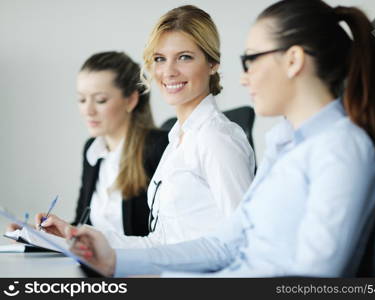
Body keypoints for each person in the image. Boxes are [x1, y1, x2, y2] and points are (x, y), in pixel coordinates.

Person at [71, 0, 375, 277]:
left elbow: (312, 277)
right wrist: (113, 259)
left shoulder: (339, 148)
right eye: (160, 59)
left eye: (252, 60)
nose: (244, 77)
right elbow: (227, 244)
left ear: (293, 61)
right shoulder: (284, 144)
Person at [40, 6, 255, 249]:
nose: (169, 71)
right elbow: (159, 244)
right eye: (159, 59)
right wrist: (73, 234)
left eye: (184, 57)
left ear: (212, 63)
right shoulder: (177, 139)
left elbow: (245, 240)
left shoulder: (216, 138)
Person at [14, 51, 168, 237]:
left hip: (136, 263)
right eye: (82, 99)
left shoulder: (158, 148)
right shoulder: (92, 150)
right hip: (97, 263)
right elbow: (83, 224)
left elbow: (165, 236)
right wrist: (41, 235)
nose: (88, 110)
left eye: (100, 100)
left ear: (131, 100)